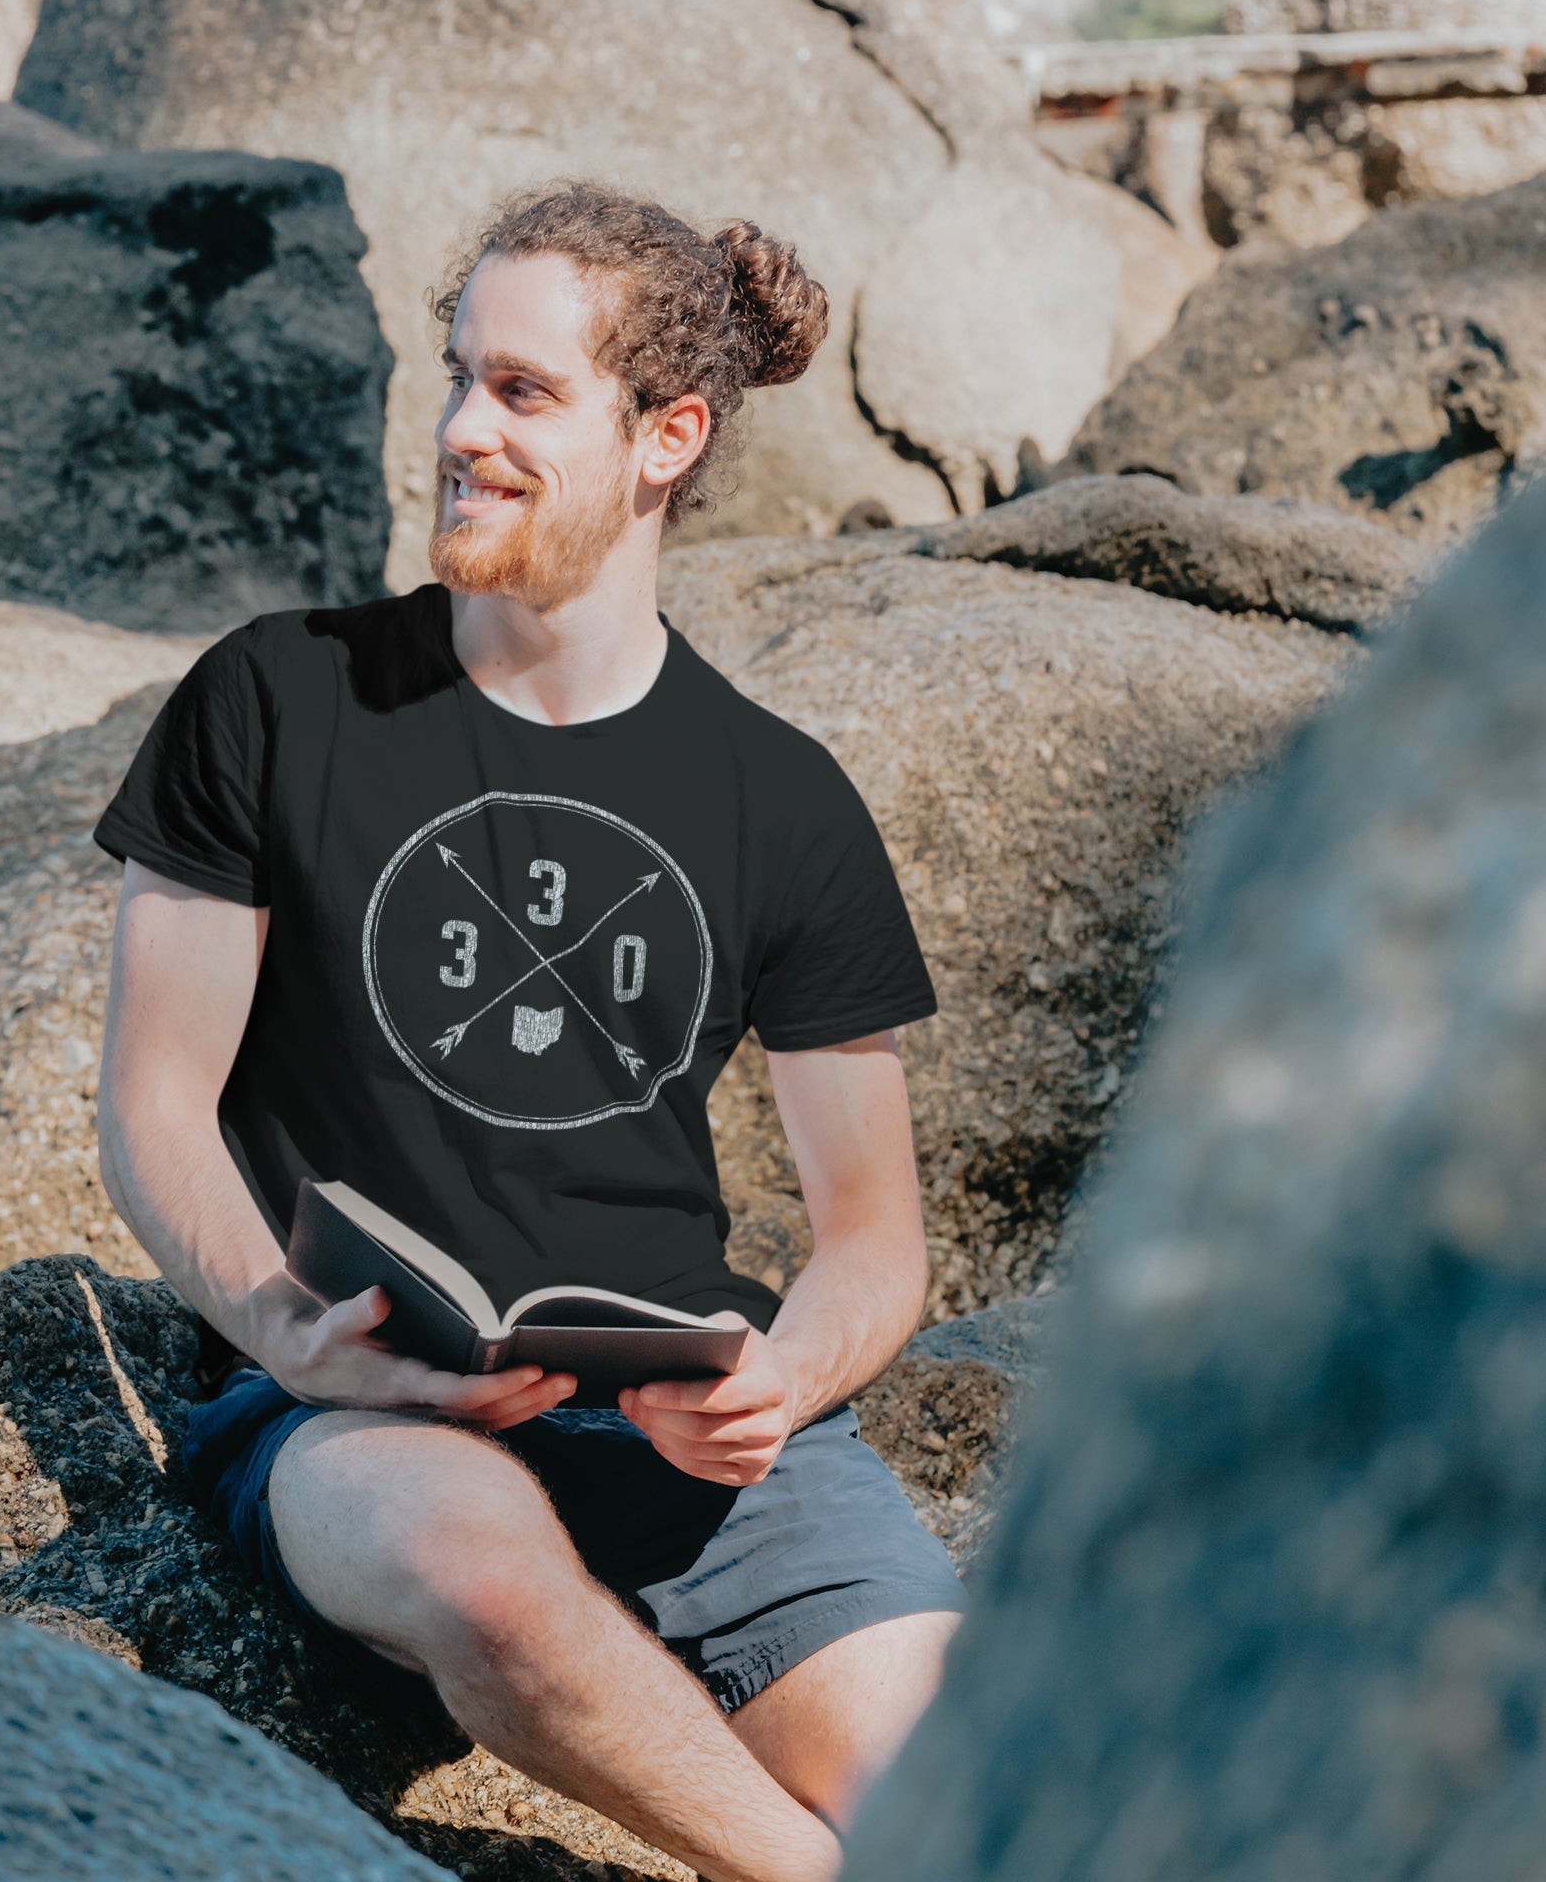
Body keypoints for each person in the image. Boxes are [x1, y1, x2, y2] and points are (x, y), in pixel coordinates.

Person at [91, 181, 964, 1882]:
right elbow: (152, 1105)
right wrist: (281, 1328)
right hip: (362, 1408)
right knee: (489, 1592)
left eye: (523, 392)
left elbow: (876, 1241)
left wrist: (783, 1379)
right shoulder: (275, 698)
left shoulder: (780, 797)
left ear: (666, 438)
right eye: (456, 378)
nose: (459, 433)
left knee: (966, 1801)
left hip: (687, 1430)